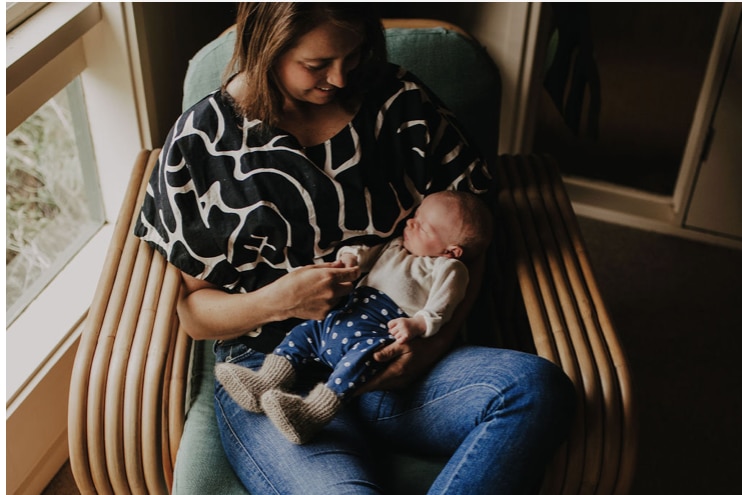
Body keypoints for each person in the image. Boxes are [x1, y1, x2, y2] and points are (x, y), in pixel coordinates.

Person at [135, 3, 575, 494]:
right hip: (276, 372)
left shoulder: (399, 102)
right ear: (266, 46)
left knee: (535, 389)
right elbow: (194, 312)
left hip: (395, 349)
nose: (341, 79)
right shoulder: (201, 143)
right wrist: (281, 300)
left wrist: (430, 346)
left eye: (353, 54)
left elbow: (467, 248)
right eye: (317, 65)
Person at [215, 190, 493, 444]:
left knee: (358, 364)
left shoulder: (449, 269)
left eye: (422, 226)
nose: (410, 222)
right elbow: (365, 252)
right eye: (415, 215)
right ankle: (265, 381)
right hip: (347, 313)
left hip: (379, 330)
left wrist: (418, 325)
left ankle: (311, 414)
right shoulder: (396, 246)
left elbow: (441, 307)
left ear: (451, 250)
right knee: (305, 332)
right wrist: (350, 259)